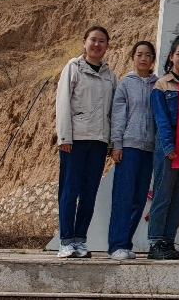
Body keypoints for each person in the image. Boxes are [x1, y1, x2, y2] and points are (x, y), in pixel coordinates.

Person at [55, 26, 117, 259]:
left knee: (89, 193)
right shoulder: (73, 68)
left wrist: (111, 141)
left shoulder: (110, 75)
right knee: (69, 191)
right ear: (84, 42)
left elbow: (112, 111)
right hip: (76, 139)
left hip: (99, 142)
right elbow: (62, 103)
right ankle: (66, 241)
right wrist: (64, 137)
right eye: (93, 40)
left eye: (102, 41)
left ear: (107, 46)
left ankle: (80, 240)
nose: (97, 44)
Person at [106, 41, 158, 260]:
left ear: (153, 59)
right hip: (129, 147)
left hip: (150, 149)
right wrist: (116, 144)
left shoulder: (159, 84)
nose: (143, 58)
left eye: (147, 55)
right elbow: (118, 116)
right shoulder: (125, 84)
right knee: (123, 197)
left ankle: (126, 243)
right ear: (132, 58)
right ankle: (116, 245)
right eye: (139, 54)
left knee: (139, 198)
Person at [147, 36, 179, 260]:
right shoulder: (161, 85)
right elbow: (161, 119)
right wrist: (168, 145)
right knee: (162, 195)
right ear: (171, 57)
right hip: (168, 146)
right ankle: (155, 243)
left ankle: (168, 240)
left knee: (178, 198)